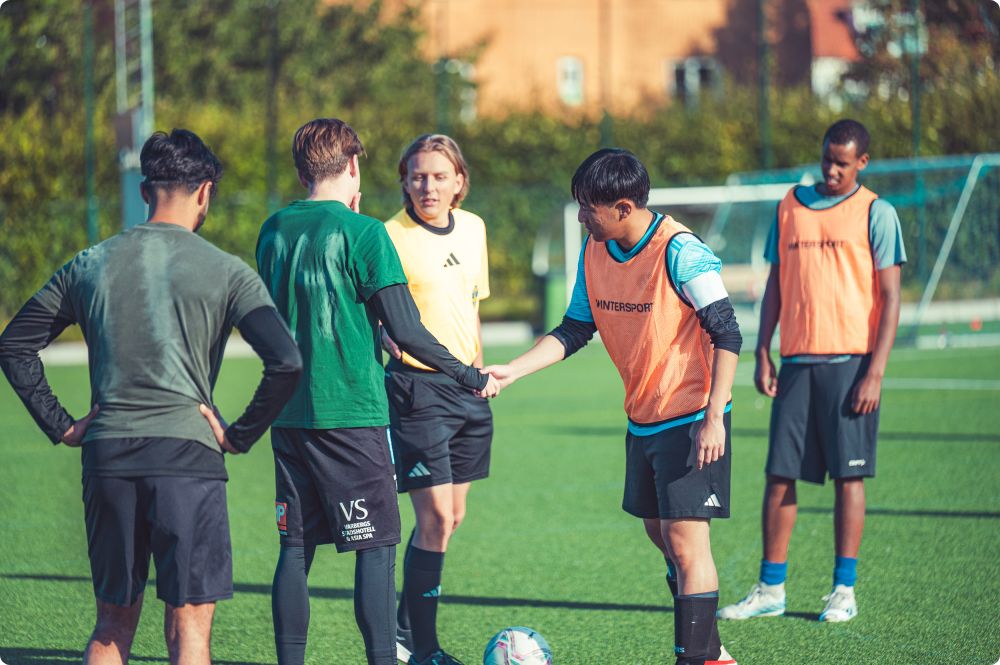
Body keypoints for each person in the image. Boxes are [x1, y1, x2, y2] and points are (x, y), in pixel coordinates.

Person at [0, 129, 303, 665]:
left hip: (109, 456)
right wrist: (238, 435)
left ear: (144, 191)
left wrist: (62, 424)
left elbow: (15, 346)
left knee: (113, 625)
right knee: (190, 633)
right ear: (205, 192)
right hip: (188, 459)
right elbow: (286, 361)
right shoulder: (228, 271)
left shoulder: (87, 264)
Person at [256, 118, 498, 665]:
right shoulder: (367, 233)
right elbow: (406, 330)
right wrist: (469, 375)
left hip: (289, 413)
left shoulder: (272, 230)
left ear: (301, 172)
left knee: (294, 549)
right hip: (354, 411)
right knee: (377, 546)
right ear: (354, 167)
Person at [485, 148, 741, 665]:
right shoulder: (594, 248)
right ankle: (711, 651)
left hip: (691, 415)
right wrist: (513, 369)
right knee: (660, 534)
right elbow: (577, 328)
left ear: (623, 207)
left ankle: (698, 657)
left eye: (588, 208)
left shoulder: (680, 250)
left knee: (687, 544)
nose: (581, 216)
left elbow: (728, 331)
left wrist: (715, 417)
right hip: (643, 418)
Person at [717, 119, 905, 624]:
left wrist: (877, 371)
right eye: (827, 159)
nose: (832, 169)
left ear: (862, 162)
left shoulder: (877, 213)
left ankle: (844, 589)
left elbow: (890, 299)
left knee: (850, 477)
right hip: (796, 362)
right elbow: (776, 282)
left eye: (843, 162)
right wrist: (762, 350)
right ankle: (770, 588)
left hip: (852, 365)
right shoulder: (790, 205)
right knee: (779, 475)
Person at [380, 134, 492, 665]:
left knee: (455, 517)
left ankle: (405, 629)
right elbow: (382, 322)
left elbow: (471, 306)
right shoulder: (388, 237)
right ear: (404, 180)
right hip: (416, 389)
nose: (428, 185)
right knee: (436, 519)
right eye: (418, 175)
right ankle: (420, 647)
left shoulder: (473, 229)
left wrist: (480, 373)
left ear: (459, 183)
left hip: (470, 390)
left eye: (439, 176)